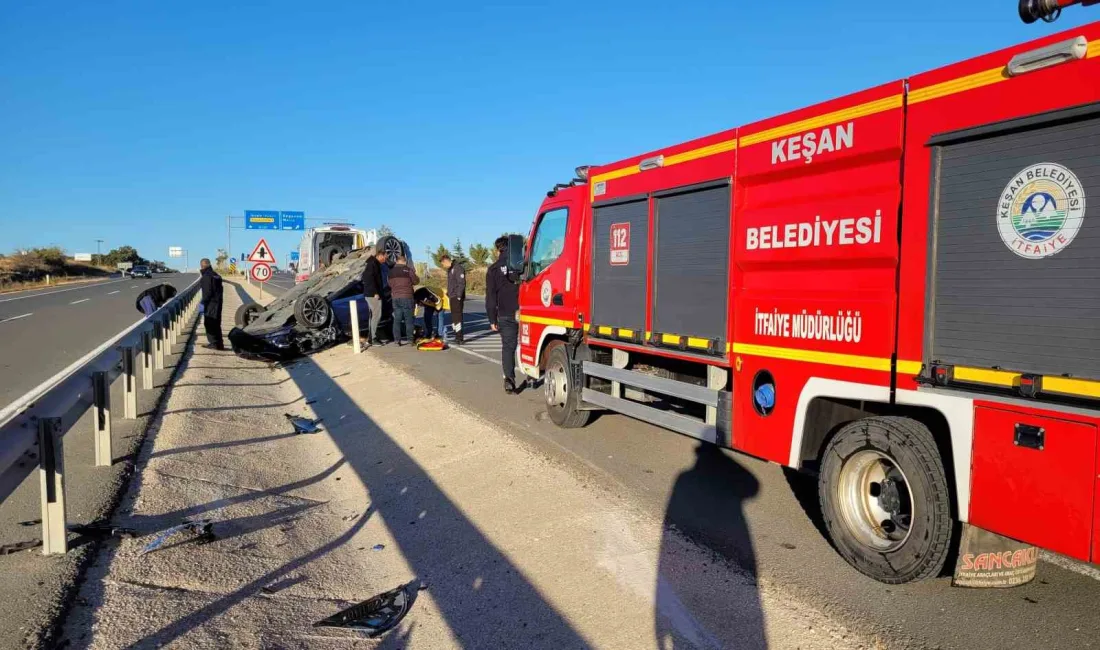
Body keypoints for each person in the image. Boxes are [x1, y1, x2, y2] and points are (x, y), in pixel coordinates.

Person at [486, 236, 522, 394]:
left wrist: (492, 318)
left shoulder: (493, 269)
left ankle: (509, 378)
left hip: (505, 313)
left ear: (497, 250)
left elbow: (491, 296)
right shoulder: (522, 265)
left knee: (508, 347)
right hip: (526, 311)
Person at [387, 254, 419, 346]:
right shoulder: (408, 270)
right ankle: (410, 340)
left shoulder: (390, 272)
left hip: (395, 297)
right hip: (407, 297)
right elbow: (416, 281)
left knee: (397, 319)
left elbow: (389, 284)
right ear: (404, 261)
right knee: (409, 319)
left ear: (397, 261)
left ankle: (397, 340)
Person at [361, 249, 387, 347]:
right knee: (377, 315)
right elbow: (368, 278)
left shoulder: (373, 263)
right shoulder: (372, 264)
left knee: (372, 316)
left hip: (371, 293)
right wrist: (375, 292)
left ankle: (371, 337)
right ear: (380, 256)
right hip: (373, 294)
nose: (385, 260)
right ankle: (373, 338)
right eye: (385, 257)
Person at [199, 258, 225, 350]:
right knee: (217, 323)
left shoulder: (206, 276)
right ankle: (219, 344)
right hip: (218, 302)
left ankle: (214, 343)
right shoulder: (216, 275)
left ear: (202, 266)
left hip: (211, 303)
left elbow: (207, 293)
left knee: (210, 323)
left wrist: (203, 303)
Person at [441, 254, 466, 344]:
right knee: (454, 318)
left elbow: (461, 283)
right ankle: (457, 335)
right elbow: (451, 283)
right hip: (452, 296)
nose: (443, 266)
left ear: (446, 261)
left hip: (456, 297)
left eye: (443, 264)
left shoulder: (458, 268)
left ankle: (459, 338)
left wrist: (459, 296)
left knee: (457, 317)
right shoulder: (450, 269)